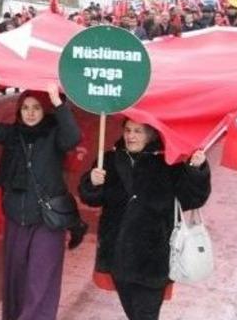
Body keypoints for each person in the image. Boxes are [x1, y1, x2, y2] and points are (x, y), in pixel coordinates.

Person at [0, 76, 85, 320]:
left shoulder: (55, 134)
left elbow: (73, 137)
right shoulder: (13, 134)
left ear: (44, 110)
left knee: (40, 278)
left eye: (36, 107)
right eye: (25, 107)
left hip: (47, 220)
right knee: (17, 277)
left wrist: (58, 103)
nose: (31, 113)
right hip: (16, 217)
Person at [78, 120, 210, 320]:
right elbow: (92, 199)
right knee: (134, 313)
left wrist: (196, 169)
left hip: (153, 259)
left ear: (151, 135)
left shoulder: (168, 162)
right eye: (128, 130)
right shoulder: (109, 159)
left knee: (145, 315)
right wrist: (92, 183)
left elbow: (193, 198)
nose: (131, 136)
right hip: (118, 256)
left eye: (138, 131)